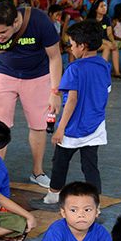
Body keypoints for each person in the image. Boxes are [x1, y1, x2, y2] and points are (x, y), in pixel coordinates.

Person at [0, 0, 63, 187]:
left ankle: (37, 172)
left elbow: (55, 57)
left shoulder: (39, 21)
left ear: (16, 22)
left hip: (38, 75)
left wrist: (55, 92)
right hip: (4, 74)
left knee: (38, 125)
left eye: (2, 32)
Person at [39, 19, 111, 206]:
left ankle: (54, 194)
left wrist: (60, 128)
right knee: (90, 167)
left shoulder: (74, 69)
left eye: (72, 44)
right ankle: (95, 204)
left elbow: (71, 100)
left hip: (73, 127)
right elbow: (105, 91)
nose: (70, 48)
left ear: (82, 46)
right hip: (95, 126)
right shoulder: (104, 65)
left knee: (60, 162)